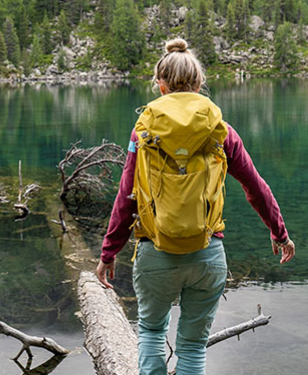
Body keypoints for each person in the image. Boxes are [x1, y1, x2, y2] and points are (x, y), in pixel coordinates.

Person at [95, 37, 294, 375]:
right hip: (207, 253)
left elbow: (126, 196)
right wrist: (280, 233)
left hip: (155, 252)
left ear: (160, 85)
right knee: (191, 348)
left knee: (152, 332)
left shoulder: (142, 132)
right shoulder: (221, 131)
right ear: (200, 83)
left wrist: (108, 253)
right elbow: (255, 187)